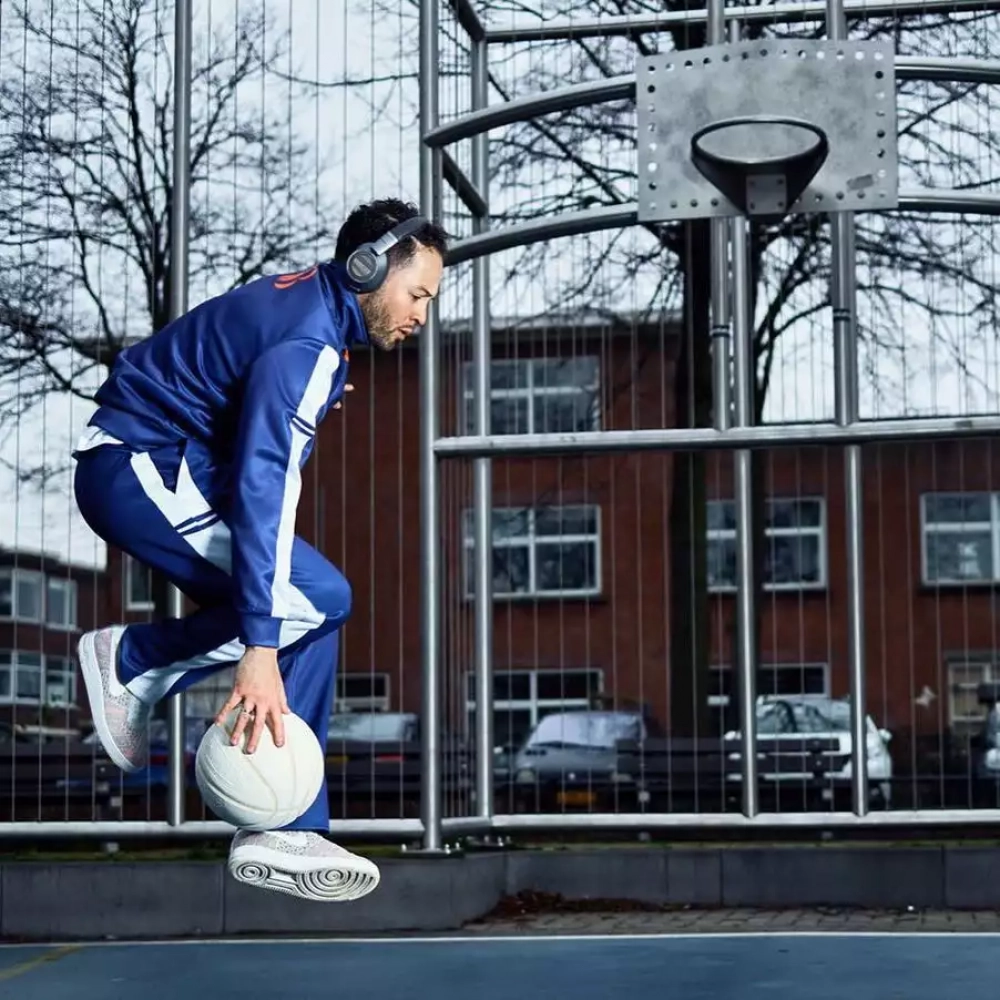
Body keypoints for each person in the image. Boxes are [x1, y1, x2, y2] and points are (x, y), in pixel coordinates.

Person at [71, 198, 447, 903]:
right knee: (306, 604)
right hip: (138, 467)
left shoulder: (311, 318)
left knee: (320, 608)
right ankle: (131, 659)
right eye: (418, 294)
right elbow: (265, 485)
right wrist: (259, 648)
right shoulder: (309, 343)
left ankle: (288, 824)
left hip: (168, 463)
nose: (423, 314)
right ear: (367, 269)